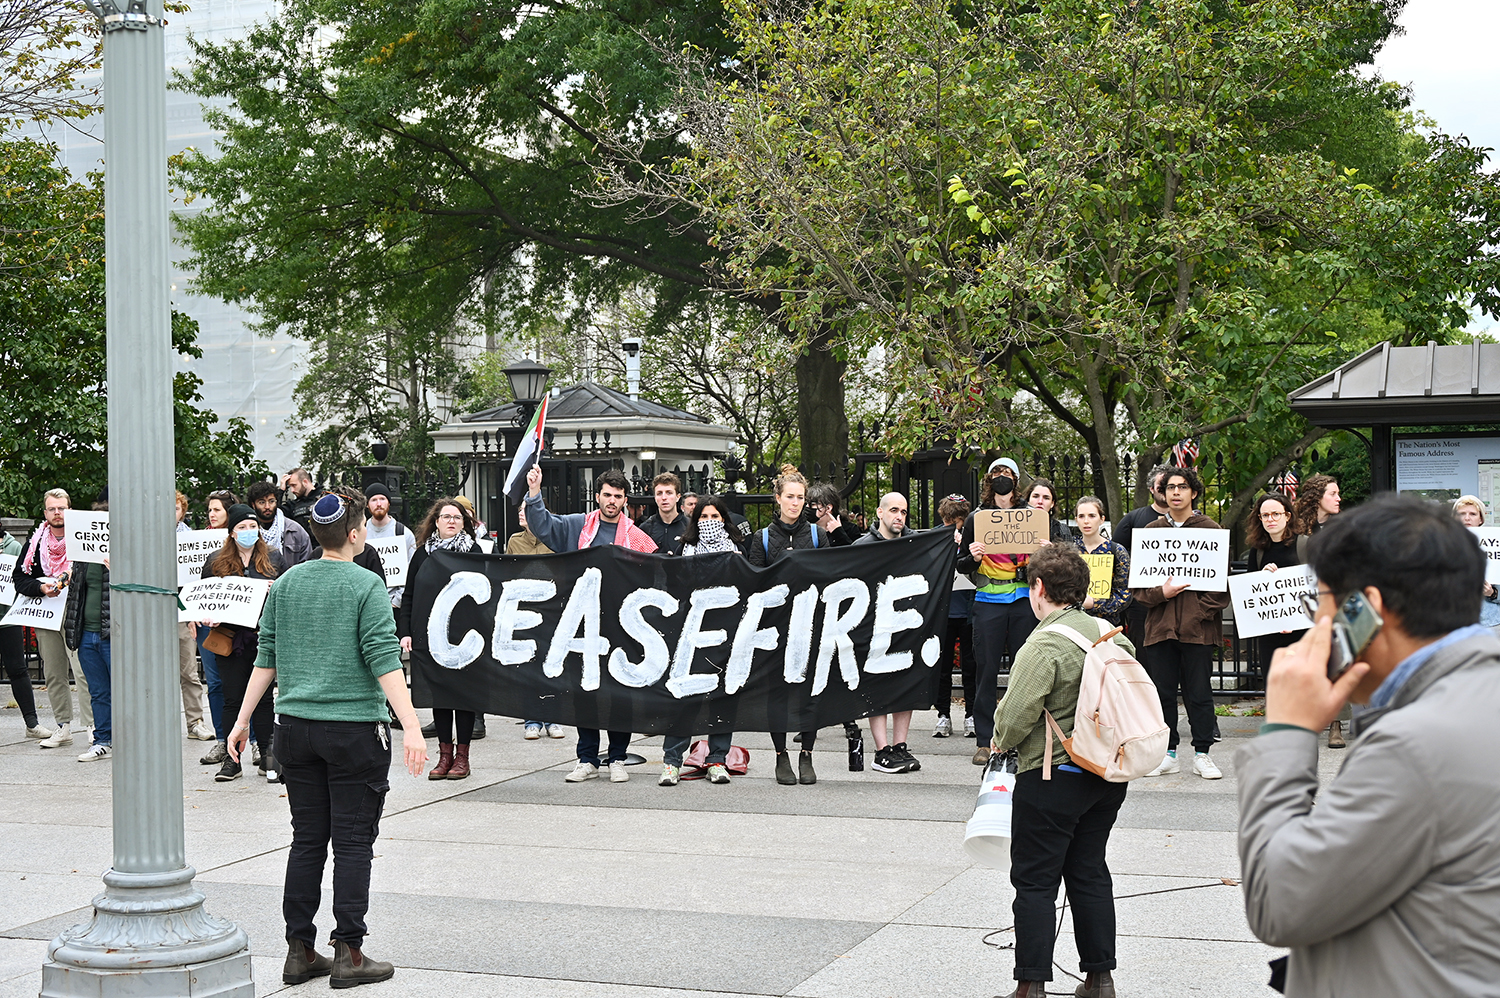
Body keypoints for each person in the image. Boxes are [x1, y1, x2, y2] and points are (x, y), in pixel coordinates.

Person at [1236, 494, 1500, 997]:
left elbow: (1280, 902)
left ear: (1366, 609)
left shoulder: (1417, 744)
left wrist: (1287, 732)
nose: (1318, 622)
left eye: (1321, 602)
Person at [229, 487, 427, 990]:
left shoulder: (286, 583)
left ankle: (299, 950)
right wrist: (412, 726)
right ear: (356, 534)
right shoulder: (365, 585)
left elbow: (265, 658)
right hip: (353, 731)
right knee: (354, 842)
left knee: (307, 840)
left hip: (292, 729)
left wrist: (241, 719)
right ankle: (350, 952)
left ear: (315, 535)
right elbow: (384, 659)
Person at [992, 544, 1133, 998]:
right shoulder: (1111, 633)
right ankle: (1099, 979)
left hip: (1053, 774)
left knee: (1034, 880)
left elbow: (1014, 718)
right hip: (1106, 774)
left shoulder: (1045, 642)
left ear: (1038, 589)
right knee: (1090, 871)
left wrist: (999, 739)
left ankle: (1030, 986)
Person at [525, 465, 656, 782]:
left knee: (619, 694)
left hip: (621, 625)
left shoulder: (636, 537)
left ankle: (618, 758)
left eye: (618, 496)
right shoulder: (577, 527)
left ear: (625, 500)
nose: (612, 500)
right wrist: (533, 491)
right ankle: (586, 758)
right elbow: (542, 525)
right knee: (585, 691)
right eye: (607, 495)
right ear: (597, 496)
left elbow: (656, 570)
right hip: (582, 624)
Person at [1130, 467, 1229, 780]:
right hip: (1160, 630)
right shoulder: (1150, 532)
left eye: (1182, 487)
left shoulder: (1211, 531)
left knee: (1199, 694)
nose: (1175, 493)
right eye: (1170, 487)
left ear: (1194, 492)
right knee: (1162, 694)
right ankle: (1168, 753)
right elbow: (1140, 592)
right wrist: (1164, 592)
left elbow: (1220, 588)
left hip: (1199, 632)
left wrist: (1196, 612)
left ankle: (1203, 754)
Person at [746, 464, 827, 786]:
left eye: (800, 497)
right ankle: (781, 755)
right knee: (776, 693)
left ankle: (806, 753)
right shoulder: (762, 538)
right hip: (775, 629)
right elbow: (752, 582)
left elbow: (832, 576)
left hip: (810, 626)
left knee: (811, 690)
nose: (795, 503)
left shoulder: (818, 536)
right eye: (790, 497)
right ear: (778, 499)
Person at [956, 456, 1037, 766]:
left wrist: (1041, 551)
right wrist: (973, 556)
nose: (1002, 478)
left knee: (1023, 672)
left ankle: (1019, 738)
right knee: (986, 671)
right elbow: (960, 564)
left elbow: (1047, 561)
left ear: (1016, 480)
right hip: (988, 601)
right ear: (989, 480)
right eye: (997, 474)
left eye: (1008, 473)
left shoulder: (1031, 516)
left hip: (1022, 602)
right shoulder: (977, 518)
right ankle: (984, 740)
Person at [660, 495, 742, 786]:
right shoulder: (686, 548)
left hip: (725, 634)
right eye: (704, 517)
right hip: (692, 635)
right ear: (696, 521)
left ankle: (717, 760)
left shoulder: (737, 550)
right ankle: (672, 761)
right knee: (686, 699)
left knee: (723, 698)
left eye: (715, 517)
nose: (709, 523)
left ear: (724, 520)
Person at [397, 498, 481, 779]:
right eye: (446, 517)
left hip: (466, 637)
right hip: (430, 636)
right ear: (436, 522)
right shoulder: (423, 555)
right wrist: (406, 631)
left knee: (465, 697)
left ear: (463, 523)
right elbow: (409, 595)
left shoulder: (474, 551)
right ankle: (445, 756)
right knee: (441, 696)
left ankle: (462, 758)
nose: (451, 521)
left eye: (457, 517)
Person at [204, 503, 285, 783]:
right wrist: (208, 617)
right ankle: (231, 759)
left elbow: (285, 595)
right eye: (242, 527)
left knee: (264, 699)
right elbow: (205, 598)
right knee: (232, 699)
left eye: (253, 526)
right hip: (229, 640)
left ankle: (268, 755)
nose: (249, 531)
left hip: (263, 639)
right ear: (232, 533)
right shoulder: (216, 561)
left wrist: (275, 590)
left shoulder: (274, 558)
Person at [12, 488, 92, 748]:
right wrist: (41, 588)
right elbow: (19, 580)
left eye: (62, 508)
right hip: (47, 615)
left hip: (75, 613)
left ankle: (94, 727)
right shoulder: (34, 545)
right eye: (52, 509)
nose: (57, 513)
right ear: (45, 512)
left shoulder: (83, 537)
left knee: (83, 671)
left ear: (70, 509)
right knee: (54, 673)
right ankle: (63, 726)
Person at [854, 492, 922, 773]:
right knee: (878, 688)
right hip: (875, 629)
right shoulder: (862, 546)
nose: (899, 516)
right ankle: (881, 750)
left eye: (904, 512)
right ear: (879, 513)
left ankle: (900, 746)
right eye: (894, 510)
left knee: (905, 686)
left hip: (905, 626)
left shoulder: (914, 544)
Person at [505, 505, 566, 740]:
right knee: (529, 665)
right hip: (525, 609)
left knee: (552, 663)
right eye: (520, 510)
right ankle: (532, 720)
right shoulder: (514, 541)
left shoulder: (554, 538)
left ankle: (553, 718)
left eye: (526, 510)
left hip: (551, 609)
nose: (521, 514)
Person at [65, 498, 113, 762]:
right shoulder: (81, 557)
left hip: (111, 634)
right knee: (98, 691)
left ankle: (129, 739)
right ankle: (103, 739)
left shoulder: (122, 556)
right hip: (87, 634)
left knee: (121, 690)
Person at [1243, 492, 1307, 680]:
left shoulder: (1304, 546)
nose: (1270, 519)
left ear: (1287, 516)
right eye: (1265, 515)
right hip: (1270, 635)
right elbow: (1249, 593)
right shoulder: (1257, 551)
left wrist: (1294, 622)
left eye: (1276, 514)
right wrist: (1261, 578)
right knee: (1274, 688)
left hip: (1302, 635)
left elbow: (1318, 590)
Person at [1113, 464, 1175, 647]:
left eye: (1170, 485)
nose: (1165, 490)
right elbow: (1117, 556)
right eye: (1161, 485)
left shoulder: (1190, 521)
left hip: (1179, 598)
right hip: (1142, 601)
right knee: (1143, 647)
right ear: (1151, 489)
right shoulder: (1133, 519)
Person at [197, 489, 237, 767]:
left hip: (239, 626)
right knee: (215, 684)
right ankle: (222, 740)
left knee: (245, 684)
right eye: (209, 510)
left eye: (217, 510)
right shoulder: (198, 542)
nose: (212, 515)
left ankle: (257, 742)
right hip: (209, 624)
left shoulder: (248, 542)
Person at [1, 521, 48, 738]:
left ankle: (32, 724)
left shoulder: (14, 547)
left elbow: (23, 577)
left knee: (18, 670)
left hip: (8, 618)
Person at [175, 492, 214, 742]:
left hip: (182, 608)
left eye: (176, 507)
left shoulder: (192, 539)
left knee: (188, 669)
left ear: (183, 510)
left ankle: (195, 721)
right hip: (153, 606)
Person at [1075, 496, 1131, 627]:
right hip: (1074, 623)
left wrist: (1095, 603)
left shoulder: (1116, 551)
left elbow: (1124, 594)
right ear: (1076, 520)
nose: (1086, 521)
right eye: (1081, 516)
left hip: (1107, 625)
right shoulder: (1069, 551)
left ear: (1102, 519)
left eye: (1092, 516)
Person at [364, 482, 415, 612]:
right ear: (367, 504)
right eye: (374, 500)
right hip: (367, 605)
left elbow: (411, 572)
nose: (379, 504)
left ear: (389, 502)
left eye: (382, 499)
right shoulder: (359, 533)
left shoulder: (404, 533)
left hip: (396, 606)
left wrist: (396, 602)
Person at [247, 480, 311, 568]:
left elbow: (306, 565)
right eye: (262, 502)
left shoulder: (294, 530)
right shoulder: (246, 531)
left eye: (271, 501)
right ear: (253, 505)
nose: (267, 506)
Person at [638, 472, 689, 555]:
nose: (664, 497)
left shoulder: (689, 527)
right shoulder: (645, 528)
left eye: (669, 493)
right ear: (655, 498)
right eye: (659, 493)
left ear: (678, 497)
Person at [1025, 477, 1077, 544]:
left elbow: (1070, 554)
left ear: (1052, 503)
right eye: (1036, 496)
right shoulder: (1017, 527)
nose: (1040, 501)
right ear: (1028, 500)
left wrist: (1052, 550)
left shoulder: (1062, 530)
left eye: (1046, 498)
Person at [279, 468, 326, 534]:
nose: (292, 490)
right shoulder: (293, 505)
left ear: (305, 482)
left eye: (294, 485)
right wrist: (281, 491)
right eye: (290, 487)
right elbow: (276, 515)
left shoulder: (325, 499)